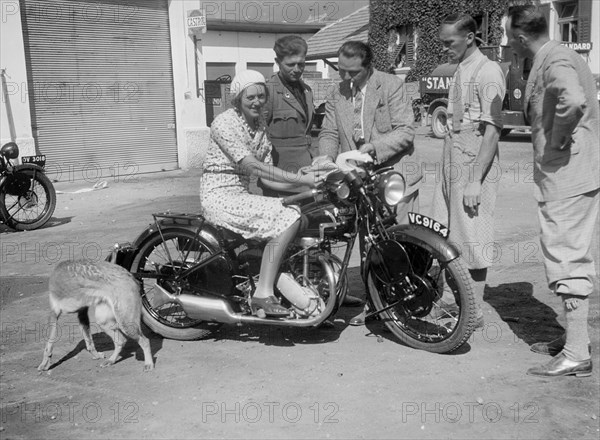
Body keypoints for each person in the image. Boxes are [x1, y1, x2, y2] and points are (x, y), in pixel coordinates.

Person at [506, 6, 599, 377]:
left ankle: (576, 353)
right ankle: (574, 339)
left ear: (521, 36)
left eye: (510, 36)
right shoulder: (560, 53)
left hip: (567, 176)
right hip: (573, 175)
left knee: (567, 257)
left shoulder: (554, 59)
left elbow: (573, 101)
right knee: (568, 251)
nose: (509, 42)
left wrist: (557, 142)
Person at [199, 70, 320, 317]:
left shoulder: (260, 125)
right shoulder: (224, 122)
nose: (257, 102)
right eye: (250, 97)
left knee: (296, 210)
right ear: (238, 98)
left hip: (240, 193)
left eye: (261, 96)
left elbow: (266, 177)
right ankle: (263, 293)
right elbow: (252, 165)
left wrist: (308, 186)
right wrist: (300, 178)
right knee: (289, 216)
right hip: (219, 194)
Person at [317, 40, 422, 325]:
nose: (346, 78)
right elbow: (328, 132)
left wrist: (374, 147)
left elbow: (405, 131)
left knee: (397, 242)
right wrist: (325, 159)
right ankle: (376, 305)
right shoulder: (336, 91)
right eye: (342, 71)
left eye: (353, 73)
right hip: (361, 180)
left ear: (369, 67)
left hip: (394, 175)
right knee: (369, 242)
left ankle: (406, 303)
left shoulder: (391, 85)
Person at [431, 13, 506, 328]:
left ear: (471, 37)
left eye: (450, 43)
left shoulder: (489, 72)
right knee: (443, 232)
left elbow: (492, 130)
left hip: (474, 167)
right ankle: (449, 301)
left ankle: (471, 312)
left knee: (473, 239)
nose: (446, 49)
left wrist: (475, 180)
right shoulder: (461, 67)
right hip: (451, 163)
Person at [265, 35, 317, 176]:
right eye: (290, 64)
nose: (297, 69)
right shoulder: (268, 92)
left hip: (307, 168)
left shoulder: (307, 91)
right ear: (277, 62)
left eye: (301, 64)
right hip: (280, 170)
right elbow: (257, 135)